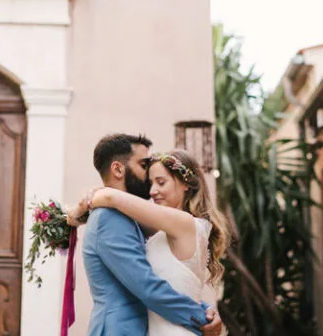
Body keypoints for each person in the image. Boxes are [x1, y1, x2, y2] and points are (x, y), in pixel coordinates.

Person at [69, 133, 228, 336]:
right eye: (143, 166)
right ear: (118, 168)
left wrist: (204, 311)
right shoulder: (109, 218)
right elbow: (147, 285)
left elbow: (166, 280)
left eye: (160, 182)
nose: (151, 188)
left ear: (185, 183)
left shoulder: (164, 222)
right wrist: (200, 316)